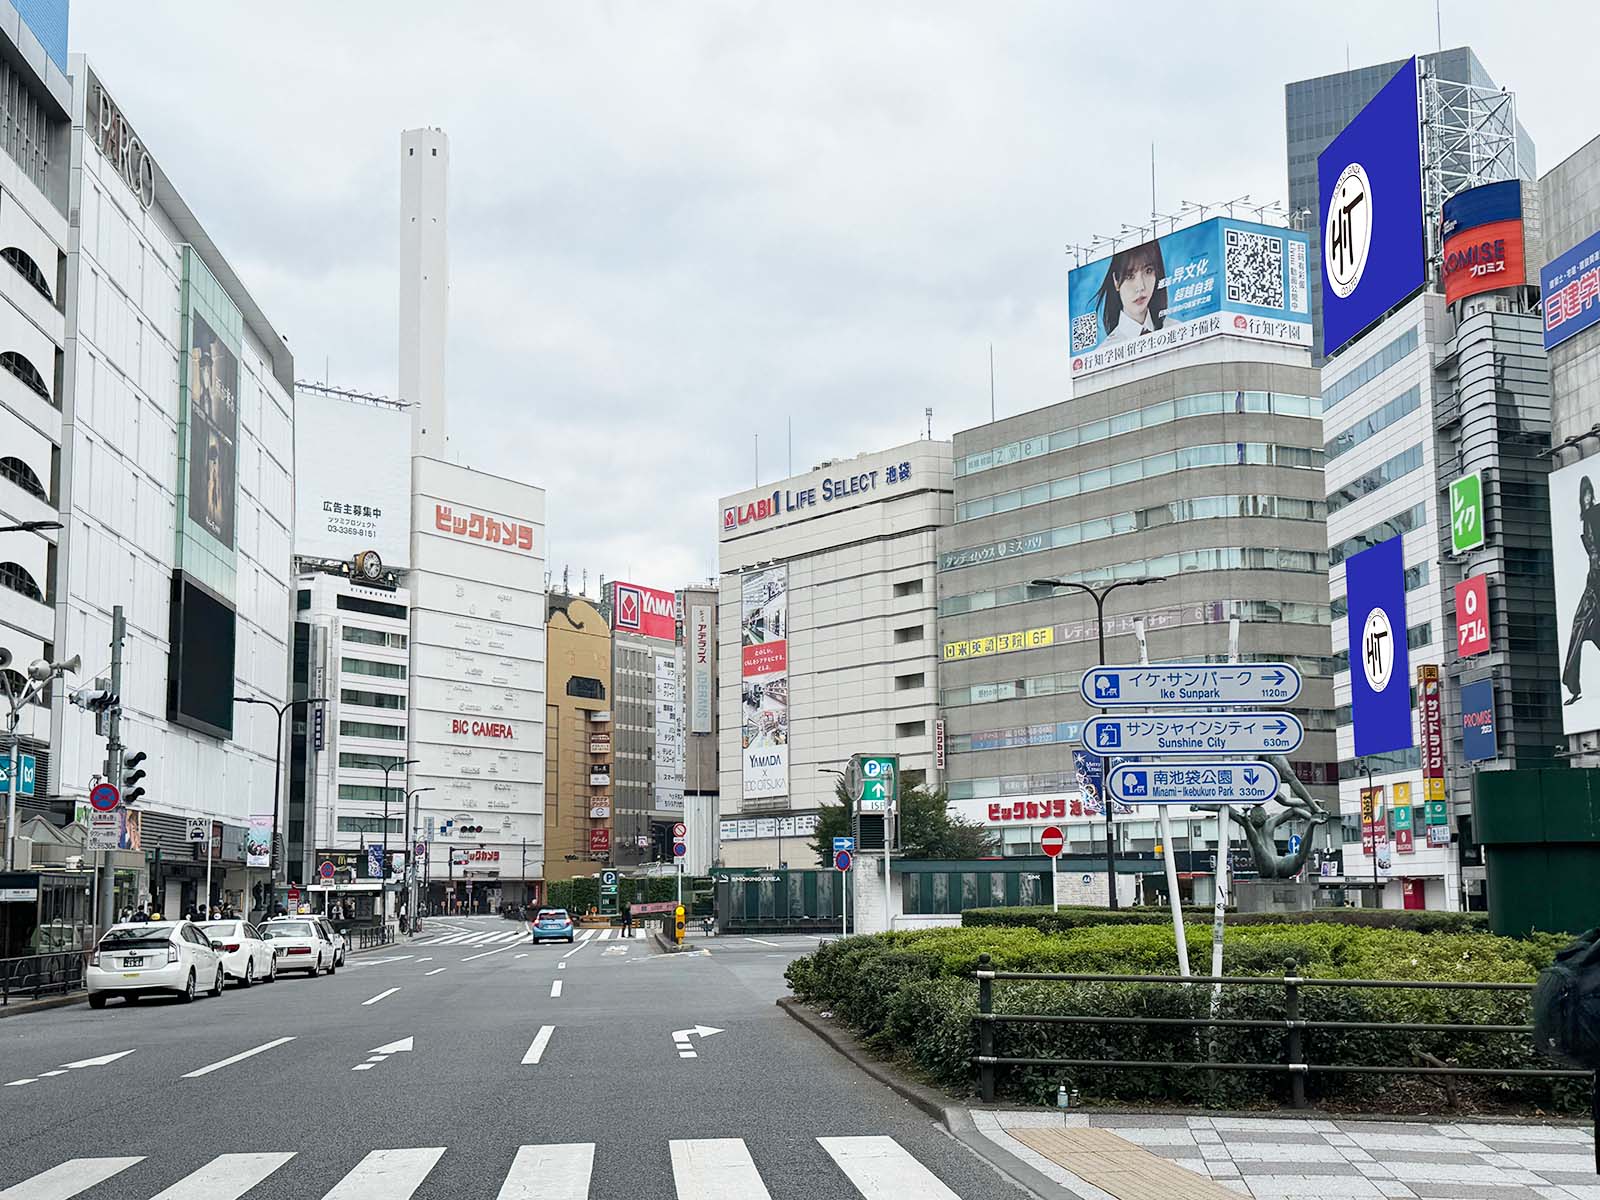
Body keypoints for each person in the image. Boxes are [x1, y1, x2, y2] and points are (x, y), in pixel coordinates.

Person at [1563, 474, 1600, 706]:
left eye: (1588, 493)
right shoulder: (1587, 517)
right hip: (1593, 580)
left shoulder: (1595, 514)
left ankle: (1572, 685)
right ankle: (1573, 686)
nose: (1586, 498)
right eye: (1583, 494)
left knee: (1582, 626)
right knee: (1579, 627)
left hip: (1597, 580)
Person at [1094, 240, 1168, 347]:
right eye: (1129, 276)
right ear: (1116, 281)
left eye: (1148, 271)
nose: (1141, 287)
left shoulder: (1176, 329)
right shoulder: (1105, 352)